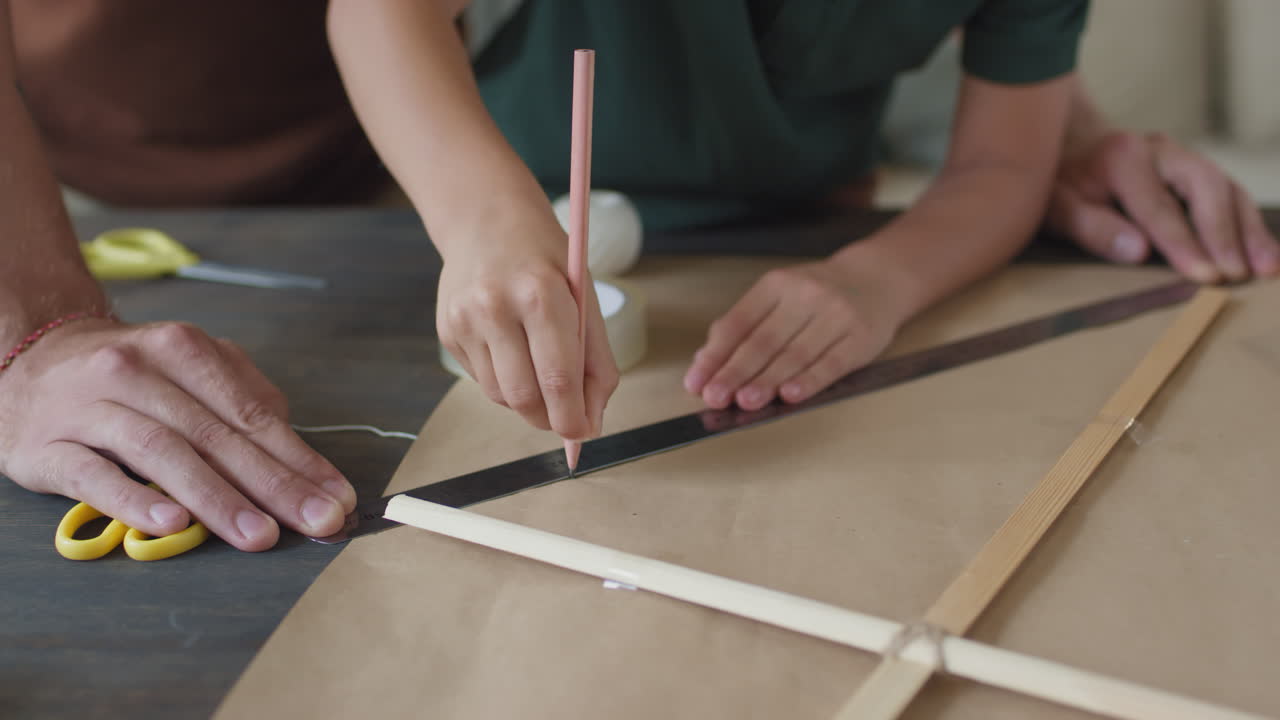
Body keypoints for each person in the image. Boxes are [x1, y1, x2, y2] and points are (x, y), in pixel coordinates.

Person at [0, 1, 1272, 552]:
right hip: (525, 216)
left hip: (796, 229)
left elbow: (1002, 163)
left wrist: (875, 284)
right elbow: (377, 18)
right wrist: (487, 224)